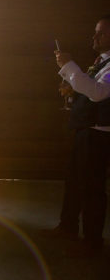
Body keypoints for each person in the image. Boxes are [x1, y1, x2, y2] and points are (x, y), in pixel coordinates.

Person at [48, 15, 110, 257]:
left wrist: (69, 66)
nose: (94, 37)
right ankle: (68, 227)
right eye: (95, 32)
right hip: (85, 130)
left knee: (92, 188)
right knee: (73, 181)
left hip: (99, 135)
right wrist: (71, 84)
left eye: (101, 33)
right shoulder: (101, 61)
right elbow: (86, 86)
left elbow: (97, 92)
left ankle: (92, 241)